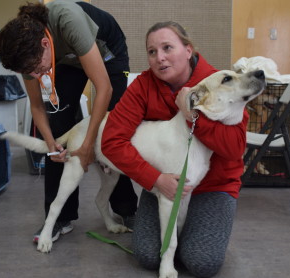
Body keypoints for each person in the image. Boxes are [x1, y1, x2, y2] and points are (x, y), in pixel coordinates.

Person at [101, 21, 247, 277]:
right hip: (164, 182)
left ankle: (199, 233)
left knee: (202, 263)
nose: (160, 58)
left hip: (213, 186)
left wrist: (191, 117)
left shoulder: (219, 81)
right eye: (152, 52)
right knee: (146, 256)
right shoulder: (143, 86)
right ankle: (183, 234)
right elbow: (112, 141)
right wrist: (155, 179)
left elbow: (235, 148)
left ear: (188, 50)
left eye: (167, 47)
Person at [0, 0, 138, 243]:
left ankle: (127, 210)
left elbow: (103, 88)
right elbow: (38, 106)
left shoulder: (68, 19)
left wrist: (87, 146)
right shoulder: (27, 58)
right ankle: (61, 216)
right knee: (59, 122)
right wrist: (51, 144)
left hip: (107, 50)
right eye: (29, 72)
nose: (35, 75)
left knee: (114, 129)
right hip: (67, 59)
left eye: (36, 68)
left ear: (44, 44)